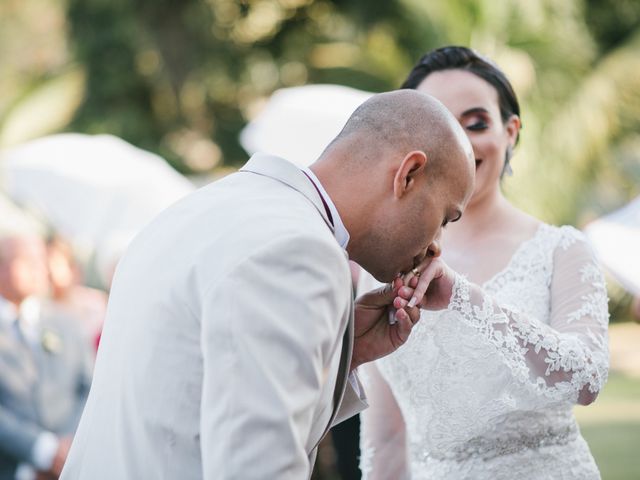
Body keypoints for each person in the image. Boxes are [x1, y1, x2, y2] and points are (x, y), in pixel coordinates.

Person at [60, 90, 476, 480]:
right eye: (445, 217)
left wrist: (344, 356)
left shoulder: (200, 209)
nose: (437, 248)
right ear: (409, 174)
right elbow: (258, 466)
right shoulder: (300, 250)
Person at [358, 46, 610, 480]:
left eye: (475, 123)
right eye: (436, 124)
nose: (456, 142)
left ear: (510, 132)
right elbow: (386, 439)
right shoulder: (381, 262)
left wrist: (462, 299)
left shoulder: (562, 250)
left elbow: (586, 378)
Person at [0, 234, 93, 480]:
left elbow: (90, 388)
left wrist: (68, 446)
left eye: (41, 260)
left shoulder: (66, 322)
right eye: (28, 261)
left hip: (70, 466)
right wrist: (41, 449)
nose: (40, 269)